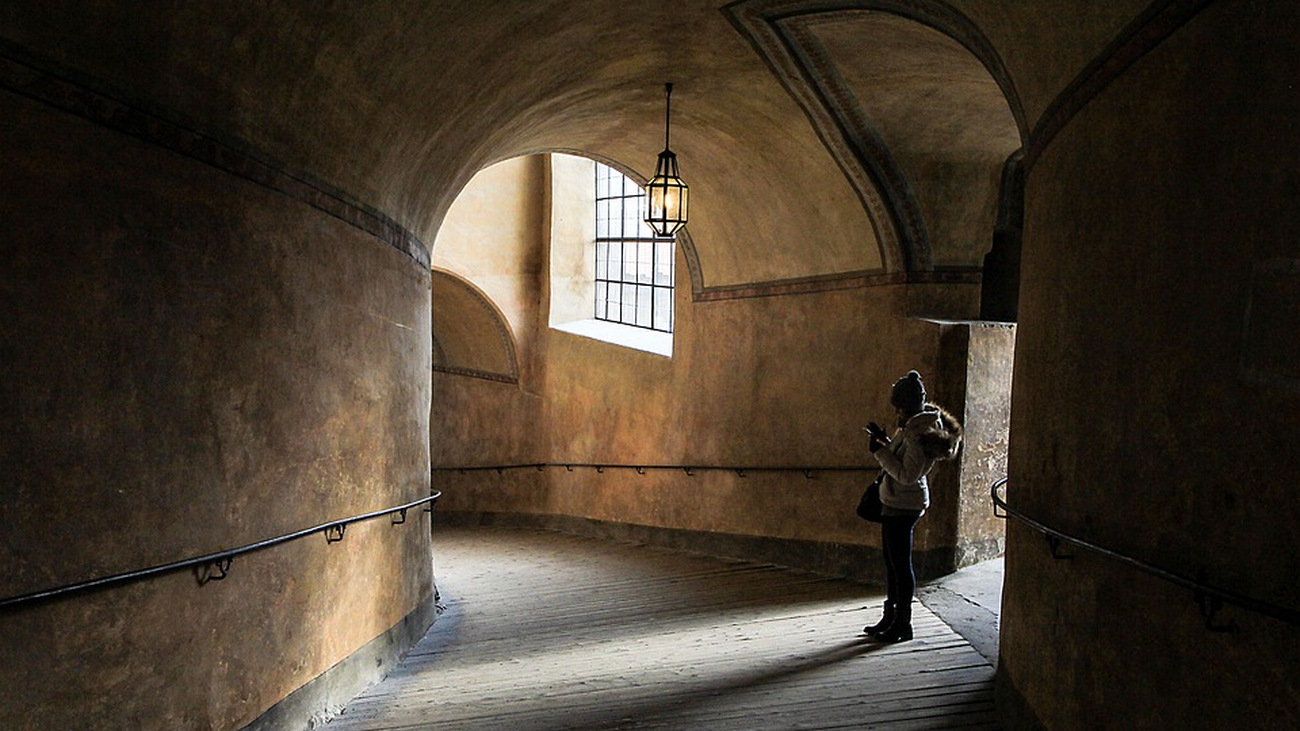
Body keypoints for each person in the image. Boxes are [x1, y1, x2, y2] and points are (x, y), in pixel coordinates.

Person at [863, 370, 962, 642]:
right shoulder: (910, 426)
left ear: (907, 406)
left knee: (900, 566)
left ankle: (902, 624)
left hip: (904, 505)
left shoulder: (920, 433)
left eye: (898, 406)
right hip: (893, 501)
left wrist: (880, 452)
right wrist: (884, 442)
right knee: (892, 563)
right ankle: (890, 617)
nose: (896, 411)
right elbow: (902, 462)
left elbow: (908, 475)